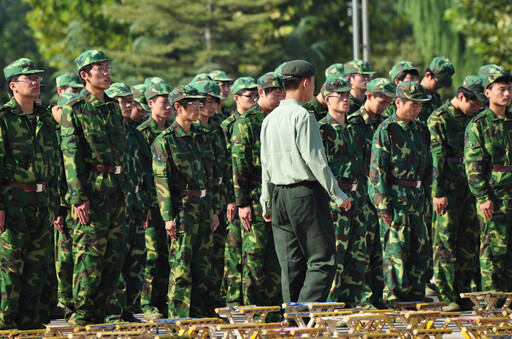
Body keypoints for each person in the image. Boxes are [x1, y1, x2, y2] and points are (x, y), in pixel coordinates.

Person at [260, 60, 351, 303]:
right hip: (304, 194)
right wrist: (338, 196)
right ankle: (302, 313)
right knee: (323, 260)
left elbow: (266, 165)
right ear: (306, 82)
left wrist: (266, 202)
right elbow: (316, 161)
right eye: (314, 82)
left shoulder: (269, 118)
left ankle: (292, 321)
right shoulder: (303, 115)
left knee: (291, 264)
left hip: (279, 195)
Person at [60, 49, 132, 325]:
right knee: (90, 258)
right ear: (84, 75)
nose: (105, 72)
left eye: (106, 67)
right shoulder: (75, 108)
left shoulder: (113, 106)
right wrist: (78, 197)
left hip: (116, 189)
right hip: (91, 190)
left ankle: (103, 316)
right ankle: (82, 317)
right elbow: (71, 156)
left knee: (114, 259)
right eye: (98, 68)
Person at [0, 58, 60, 330]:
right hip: (13, 204)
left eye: (37, 77)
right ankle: (5, 325)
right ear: (13, 86)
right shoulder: (4, 119)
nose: (36, 82)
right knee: (11, 270)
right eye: (28, 78)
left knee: (38, 270)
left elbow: (55, 163)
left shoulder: (46, 118)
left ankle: (30, 327)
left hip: (41, 202)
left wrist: (56, 204)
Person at [152, 85, 221, 318]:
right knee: (181, 269)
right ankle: (179, 319)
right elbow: (162, 181)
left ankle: (200, 316)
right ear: (177, 107)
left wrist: (213, 210)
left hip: (203, 206)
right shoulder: (166, 140)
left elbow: (210, 178)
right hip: (182, 210)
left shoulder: (203, 136)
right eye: (192, 102)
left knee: (204, 267)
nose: (198, 106)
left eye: (199, 102)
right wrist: (168, 217)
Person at [368, 81, 432, 304]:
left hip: (417, 197)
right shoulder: (387, 129)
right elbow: (378, 171)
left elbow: (428, 167)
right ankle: (394, 298)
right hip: (396, 198)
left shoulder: (421, 129)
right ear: (398, 102)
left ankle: (416, 296)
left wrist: (429, 196)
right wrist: (383, 205)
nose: (417, 109)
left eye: (420, 105)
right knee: (396, 251)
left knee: (421, 249)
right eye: (413, 105)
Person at [427, 76, 487, 311]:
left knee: (467, 242)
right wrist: (438, 192)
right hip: (448, 189)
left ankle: (462, 292)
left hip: (468, 188)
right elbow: (436, 158)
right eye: (474, 103)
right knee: (445, 242)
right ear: (460, 96)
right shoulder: (439, 118)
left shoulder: (474, 119)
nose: (477, 108)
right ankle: (445, 295)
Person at [232, 72, 284, 308]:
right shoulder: (247, 122)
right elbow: (239, 166)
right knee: (254, 255)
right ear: (261, 93)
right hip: (253, 196)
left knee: (276, 255)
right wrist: (241, 203)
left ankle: (273, 309)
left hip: (278, 195)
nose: (279, 97)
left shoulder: (281, 118)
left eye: (281, 93)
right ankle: (252, 307)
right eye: (274, 93)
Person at [317, 76, 367, 306]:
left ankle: (351, 305)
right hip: (334, 201)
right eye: (341, 96)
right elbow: (318, 168)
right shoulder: (321, 129)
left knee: (357, 255)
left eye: (348, 95)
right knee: (335, 256)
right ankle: (329, 306)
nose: (347, 99)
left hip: (358, 197)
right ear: (328, 100)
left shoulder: (355, 129)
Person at [104, 83, 152, 322]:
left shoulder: (135, 133)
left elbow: (146, 170)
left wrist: (147, 202)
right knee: (115, 258)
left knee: (136, 259)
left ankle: (131, 309)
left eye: (128, 100)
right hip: (115, 202)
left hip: (136, 202)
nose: (126, 104)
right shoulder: (106, 133)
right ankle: (114, 311)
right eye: (120, 100)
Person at [348, 78, 396, 309]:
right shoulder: (354, 123)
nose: (385, 106)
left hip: (382, 193)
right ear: (368, 96)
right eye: (382, 101)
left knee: (381, 248)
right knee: (362, 248)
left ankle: (380, 297)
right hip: (361, 195)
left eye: (389, 102)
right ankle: (364, 299)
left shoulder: (387, 124)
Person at [465, 68, 512, 292]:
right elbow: (473, 165)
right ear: (487, 93)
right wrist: (483, 196)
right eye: (501, 89)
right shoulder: (479, 124)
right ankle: (493, 302)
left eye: (509, 89)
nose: (507, 94)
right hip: (494, 195)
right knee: (493, 249)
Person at [220, 76, 259, 307]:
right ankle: (234, 297)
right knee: (233, 248)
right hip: (234, 195)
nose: (254, 99)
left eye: (256, 95)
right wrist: (232, 199)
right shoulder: (227, 126)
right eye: (249, 95)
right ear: (236, 98)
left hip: (250, 193)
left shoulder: (258, 121)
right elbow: (228, 166)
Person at [137, 82, 174, 320]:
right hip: (151, 203)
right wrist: (145, 204)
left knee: (166, 256)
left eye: (170, 101)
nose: (168, 106)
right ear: (150, 104)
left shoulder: (173, 131)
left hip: (169, 203)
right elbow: (140, 172)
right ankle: (146, 303)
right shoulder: (142, 133)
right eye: (163, 102)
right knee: (150, 255)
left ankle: (162, 301)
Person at [52, 93, 79, 324]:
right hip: (62, 205)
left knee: (79, 256)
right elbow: (57, 176)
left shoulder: (77, 136)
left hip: (79, 203)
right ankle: (65, 302)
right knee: (64, 258)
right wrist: (58, 210)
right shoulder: (54, 136)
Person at [417, 56, 455, 122]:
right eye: (438, 83)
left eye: (443, 84)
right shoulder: (413, 95)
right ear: (428, 75)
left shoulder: (436, 98)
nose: (440, 86)